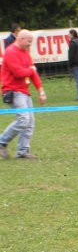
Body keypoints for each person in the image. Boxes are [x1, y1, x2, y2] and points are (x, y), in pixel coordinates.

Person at [0, 30, 46, 160]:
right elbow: (18, 73)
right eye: (28, 42)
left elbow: (33, 74)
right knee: (23, 119)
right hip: (13, 91)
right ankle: (1, 142)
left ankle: (23, 151)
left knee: (30, 122)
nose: (30, 45)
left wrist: (40, 91)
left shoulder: (25, 53)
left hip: (24, 91)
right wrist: (31, 69)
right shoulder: (10, 53)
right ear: (20, 38)